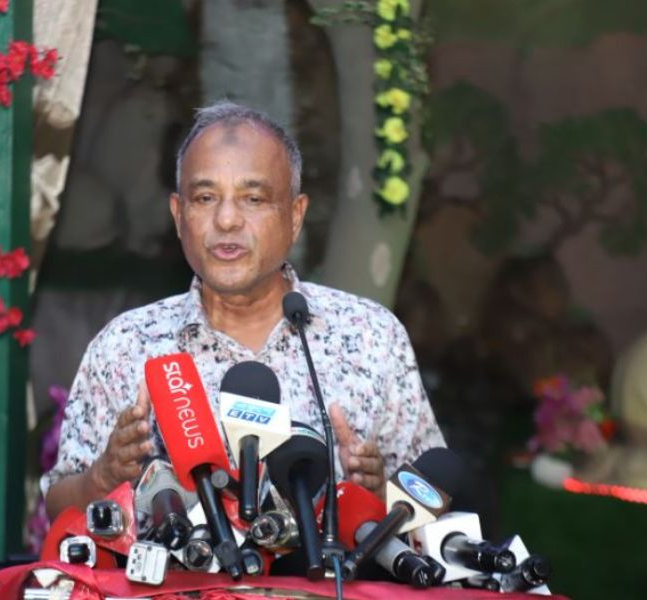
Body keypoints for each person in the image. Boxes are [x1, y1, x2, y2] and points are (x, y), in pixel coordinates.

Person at [43, 101, 445, 519]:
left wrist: (380, 499)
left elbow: (438, 505)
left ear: (295, 215)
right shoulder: (125, 346)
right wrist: (103, 477)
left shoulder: (370, 336)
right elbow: (57, 508)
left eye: (253, 198)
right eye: (205, 197)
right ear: (179, 216)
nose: (227, 220)